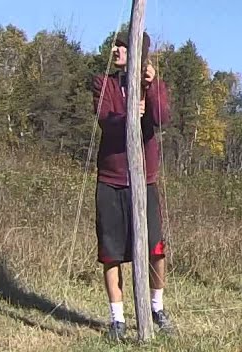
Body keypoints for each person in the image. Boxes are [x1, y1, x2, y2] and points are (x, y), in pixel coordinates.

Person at [91, 29, 176, 340]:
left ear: (137, 53)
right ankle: (117, 319)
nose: (115, 50)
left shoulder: (152, 85)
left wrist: (151, 87)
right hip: (111, 180)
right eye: (114, 45)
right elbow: (104, 118)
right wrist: (126, 114)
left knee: (155, 248)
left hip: (145, 180)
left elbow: (160, 117)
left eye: (122, 46)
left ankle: (156, 308)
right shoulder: (105, 83)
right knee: (111, 252)